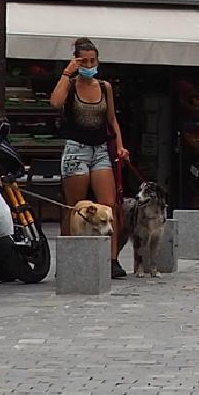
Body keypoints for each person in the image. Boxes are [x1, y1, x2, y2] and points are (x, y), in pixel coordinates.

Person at [51, 38, 126, 276]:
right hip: (76, 149)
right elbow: (55, 102)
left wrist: (120, 146)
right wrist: (67, 73)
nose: (89, 65)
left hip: (101, 149)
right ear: (76, 61)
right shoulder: (71, 85)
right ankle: (68, 259)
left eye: (93, 60)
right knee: (74, 206)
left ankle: (112, 260)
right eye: (84, 61)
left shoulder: (104, 87)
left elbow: (112, 120)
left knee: (109, 203)